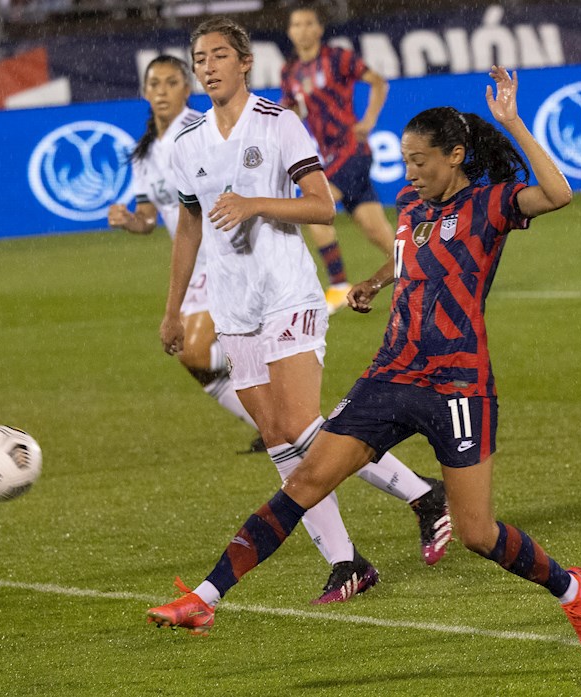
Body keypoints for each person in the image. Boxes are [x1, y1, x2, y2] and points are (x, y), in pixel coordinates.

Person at [147, 65, 581, 650]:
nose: (410, 172)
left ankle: (570, 588)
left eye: (421, 161)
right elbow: (412, 259)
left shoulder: (491, 204)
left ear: (456, 155)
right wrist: (373, 281)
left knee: (476, 532)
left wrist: (513, 121)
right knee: (306, 477)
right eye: (406, 160)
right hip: (390, 374)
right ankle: (204, 599)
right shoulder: (411, 209)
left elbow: (559, 193)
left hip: (457, 385)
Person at [155, 17, 452, 605]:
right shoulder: (187, 142)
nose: (207, 66)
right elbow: (189, 224)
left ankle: (422, 493)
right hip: (234, 305)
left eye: (218, 55)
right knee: (277, 438)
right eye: (199, 57)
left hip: (287, 290)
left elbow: (320, 207)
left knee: (300, 425)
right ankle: (347, 561)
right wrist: (172, 310)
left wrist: (254, 205)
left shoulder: (279, 123)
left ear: (245, 64)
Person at [108, 55, 264, 455]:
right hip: (196, 262)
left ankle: (275, 370)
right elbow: (149, 217)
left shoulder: (201, 130)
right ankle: (271, 424)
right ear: (144, 91)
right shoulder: (144, 154)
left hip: (227, 251)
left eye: (171, 82)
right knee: (192, 361)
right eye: (154, 84)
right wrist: (130, 221)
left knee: (196, 350)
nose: (162, 91)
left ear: (186, 88)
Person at [281, 4, 395, 314]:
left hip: (351, 152)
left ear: (318, 29)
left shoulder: (337, 58)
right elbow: (291, 112)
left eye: (308, 24)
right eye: (296, 25)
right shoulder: (290, 72)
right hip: (327, 157)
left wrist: (369, 120)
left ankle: (339, 285)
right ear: (290, 32)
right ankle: (423, 268)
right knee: (377, 230)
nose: (302, 30)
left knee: (316, 208)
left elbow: (378, 82)